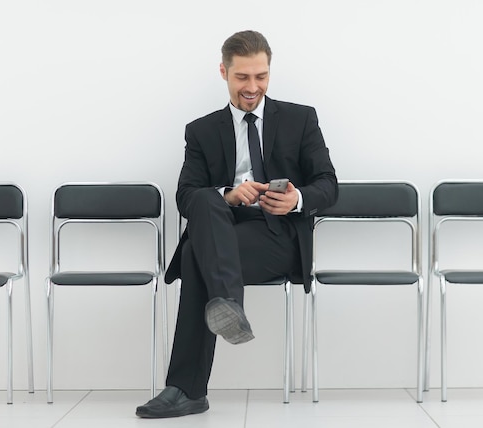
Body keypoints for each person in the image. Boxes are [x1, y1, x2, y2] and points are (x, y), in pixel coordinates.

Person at [136, 30, 338, 418]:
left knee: (197, 251)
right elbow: (184, 196)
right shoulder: (202, 130)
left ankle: (186, 389)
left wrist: (295, 199)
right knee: (206, 202)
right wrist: (229, 195)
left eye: (260, 76)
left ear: (269, 72)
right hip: (223, 226)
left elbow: (329, 185)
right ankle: (227, 303)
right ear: (224, 72)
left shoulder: (300, 119)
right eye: (242, 77)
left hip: (276, 235)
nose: (252, 86)